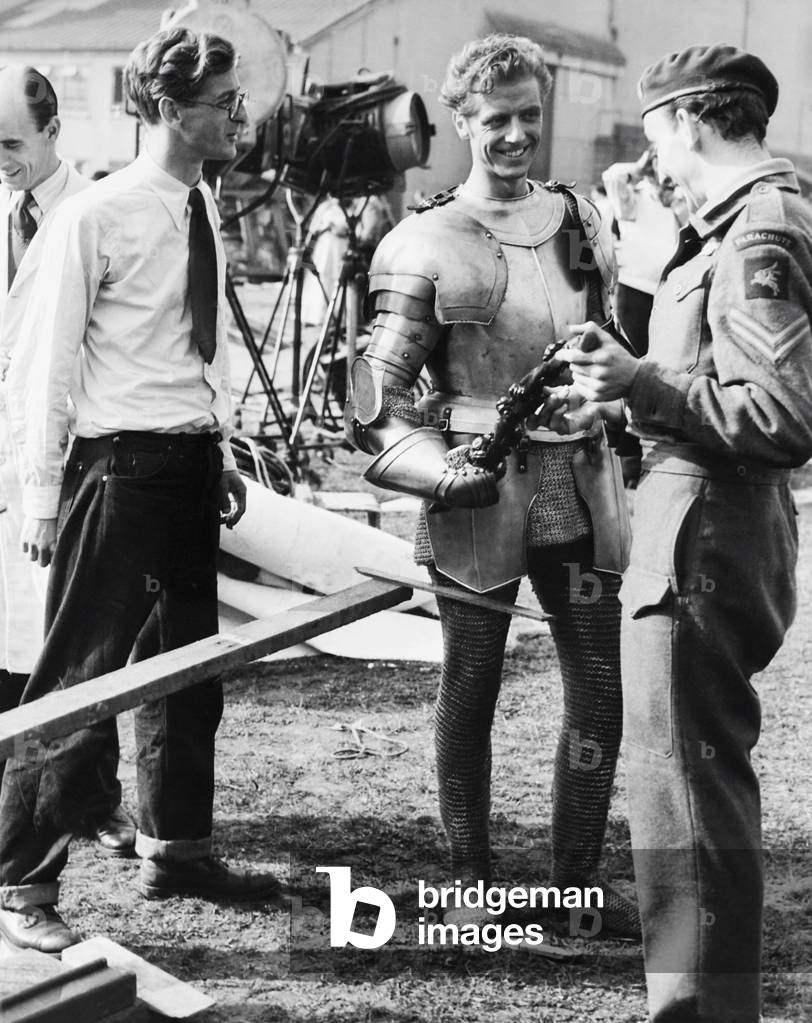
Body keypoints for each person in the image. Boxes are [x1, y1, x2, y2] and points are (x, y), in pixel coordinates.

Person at [345, 33, 638, 945]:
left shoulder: (582, 219)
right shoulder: (424, 240)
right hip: (479, 485)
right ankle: (469, 879)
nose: (514, 136)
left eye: (528, 118)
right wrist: (443, 472)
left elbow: (611, 345)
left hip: (581, 477)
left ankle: (575, 881)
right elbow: (372, 402)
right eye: (496, 120)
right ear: (464, 123)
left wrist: (620, 412)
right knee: (471, 686)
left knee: (597, 685)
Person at [0, 26, 279, 954]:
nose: (240, 116)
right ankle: (19, 883)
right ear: (167, 108)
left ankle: (177, 847)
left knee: (188, 678)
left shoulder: (198, 206)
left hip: (190, 466)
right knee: (78, 684)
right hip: (117, 473)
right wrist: (42, 497)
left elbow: (204, 349)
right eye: (223, 103)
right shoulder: (98, 215)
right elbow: (41, 366)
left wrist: (224, 449)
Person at [558, 43, 812, 1022]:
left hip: (701, 541)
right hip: (690, 526)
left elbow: (780, 417)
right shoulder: (722, 227)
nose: (649, 153)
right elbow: (708, 383)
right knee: (678, 799)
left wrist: (641, 386)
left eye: (655, 128)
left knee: (688, 806)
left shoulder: (758, 227)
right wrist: (626, 398)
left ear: (692, 121)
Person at [0, 65, 135, 856]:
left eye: (12, 143)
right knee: (8, 630)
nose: (0, 159)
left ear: (55, 133)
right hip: (6, 447)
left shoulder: (92, 212)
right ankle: (28, 793)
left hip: (74, 449)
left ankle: (91, 797)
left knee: (80, 631)